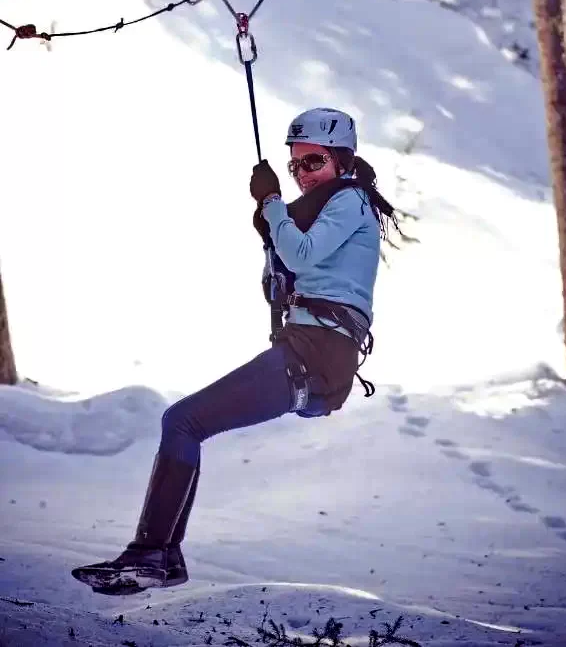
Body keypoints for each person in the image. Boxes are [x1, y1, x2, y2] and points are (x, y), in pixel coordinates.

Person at [71, 108, 399, 596]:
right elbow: (292, 267)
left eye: (313, 162)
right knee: (185, 423)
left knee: (182, 422)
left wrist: (271, 203)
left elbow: (302, 254)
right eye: (295, 167)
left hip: (318, 352)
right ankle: (160, 557)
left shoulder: (350, 200)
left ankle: (152, 556)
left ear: (343, 160)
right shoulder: (334, 206)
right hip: (312, 351)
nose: (302, 175)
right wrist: (274, 232)